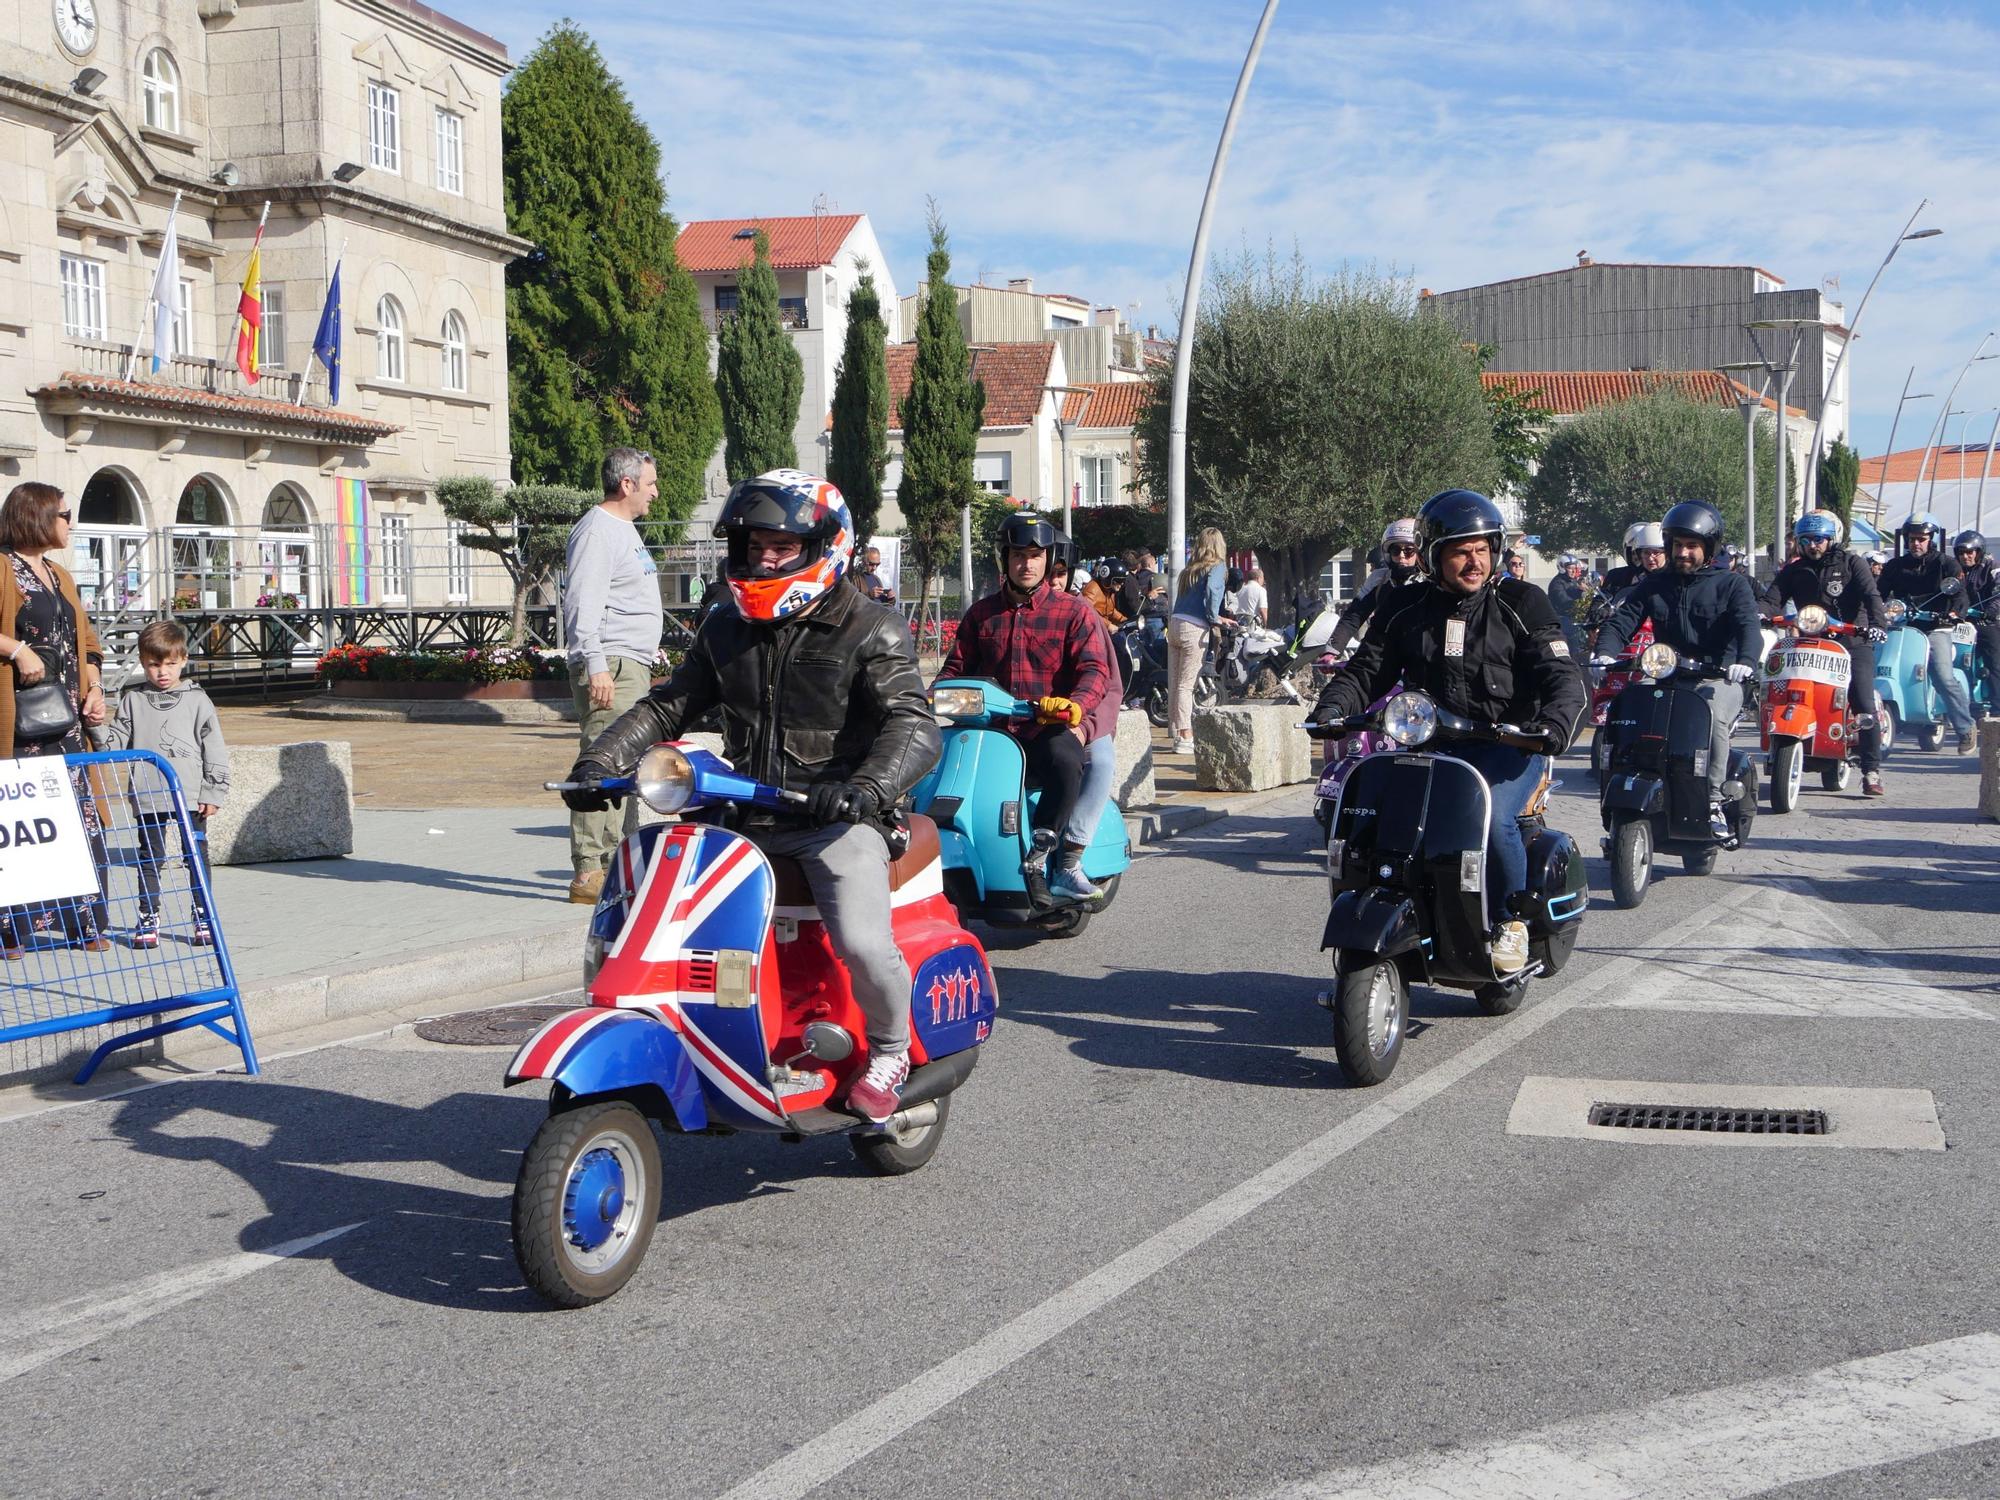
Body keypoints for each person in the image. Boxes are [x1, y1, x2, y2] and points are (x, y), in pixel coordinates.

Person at [564, 469, 938, 1123]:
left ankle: (887, 1049)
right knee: (666, 910)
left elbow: (914, 725)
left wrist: (864, 789)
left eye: (781, 547)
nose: (764, 558)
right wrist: (601, 760)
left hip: (836, 816)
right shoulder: (725, 628)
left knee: (858, 937)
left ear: (824, 546)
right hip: (748, 810)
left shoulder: (870, 627)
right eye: (753, 545)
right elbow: (667, 708)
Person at [1310, 490, 1585, 974]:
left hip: (1508, 746)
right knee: (1367, 809)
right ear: (1436, 555)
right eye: (1461, 550)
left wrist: (1553, 724)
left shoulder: (1522, 601)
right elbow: (1367, 669)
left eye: (1482, 549)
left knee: (1493, 817)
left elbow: (1560, 671)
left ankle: (1510, 921)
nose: (1474, 561)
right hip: (1431, 744)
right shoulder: (1405, 604)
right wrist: (1332, 708)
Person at [943, 512, 1116, 902]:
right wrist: (927, 695)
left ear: (1048, 559)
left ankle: (1045, 859)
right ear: (1004, 559)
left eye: (1035, 555)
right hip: (991, 733)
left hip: (1044, 730)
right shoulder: (980, 615)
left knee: (1064, 758)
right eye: (1018, 554)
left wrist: (1075, 706)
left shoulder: (1074, 612)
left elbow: (1094, 669)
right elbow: (954, 668)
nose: (1027, 563)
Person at [1595, 500, 1763, 839]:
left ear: (1708, 548)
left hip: (1719, 678)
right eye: (1677, 545)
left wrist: (1744, 662)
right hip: (1667, 675)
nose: (1682, 552)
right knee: (1626, 705)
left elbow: (1748, 627)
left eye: (1691, 546)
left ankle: (1714, 799)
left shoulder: (1732, 585)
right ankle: (1620, 787)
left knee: (1713, 714)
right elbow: (1623, 620)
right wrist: (1605, 653)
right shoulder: (1656, 584)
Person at [0, 482, 109, 956]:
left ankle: (86, 923)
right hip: (20, 726)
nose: (71, 523)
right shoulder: (3, 567)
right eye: (66, 515)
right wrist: (17, 649)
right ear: (37, 516)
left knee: (82, 822)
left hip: (67, 721)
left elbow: (85, 639)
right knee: (23, 827)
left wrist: (97, 686)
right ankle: (12, 931)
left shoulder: (60, 575)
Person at [562, 447, 663, 904]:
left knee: (623, 766)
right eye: (650, 484)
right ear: (627, 484)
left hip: (630, 663)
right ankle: (589, 870)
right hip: (612, 667)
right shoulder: (598, 531)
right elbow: (582, 604)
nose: (655, 493)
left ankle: (612, 864)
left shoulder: (623, 530)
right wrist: (596, 664)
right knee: (603, 762)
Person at [105, 620, 230, 946]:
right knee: (149, 858)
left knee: (195, 856)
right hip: (147, 793)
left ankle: (204, 915)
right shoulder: (132, 700)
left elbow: (214, 745)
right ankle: (148, 916)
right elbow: (114, 744)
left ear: (183, 660)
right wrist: (93, 726)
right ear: (143, 663)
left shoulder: (198, 700)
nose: (162, 672)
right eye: (154, 664)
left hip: (190, 794)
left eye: (170, 664)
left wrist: (213, 790)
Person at [1774, 511, 1889, 796]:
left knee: (1862, 700)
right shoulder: (1794, 569)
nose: (1813, 545)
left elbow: (1871, 596)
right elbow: (1771, 598)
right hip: (1810, 644)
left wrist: (1876, 625)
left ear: (1832, 538)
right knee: (1790, 689)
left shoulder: (1853, 563)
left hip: (1852, 643)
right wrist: (1759, 614)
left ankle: (1871, 770)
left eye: (1819, 539)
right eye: (1806, 540)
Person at [1879, 511, 1973, 753]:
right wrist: (1871, 610)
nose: (1916, 543)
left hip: (1936, 628)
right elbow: (1877, 593)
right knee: (1874, 664)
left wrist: (1953, 614)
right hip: (1902, 628)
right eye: (1912, 539)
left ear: (1930, 538)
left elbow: (1960, 593)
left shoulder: (1946, 564)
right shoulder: (1894, 566)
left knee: (1943, 675)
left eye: (1921, 538)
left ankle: (1965, 728)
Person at [1167, 527, 1228, 755]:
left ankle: (1176, 732)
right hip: (1194, 628)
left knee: (1175, 682)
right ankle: (1185, 735)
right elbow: (1213, 591)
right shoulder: (1217, 566)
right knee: (1186, 684)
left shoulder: (1189, 570)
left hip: (1175, 624)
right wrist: (1215, 618)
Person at [1329, 518, 1424, 653]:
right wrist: (1332, 649)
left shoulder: (1432, 580)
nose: (1401, 556)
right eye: (1395, 550)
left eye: (1409, 551)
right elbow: (1355, 615)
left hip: (1422, 655)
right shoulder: (1379, 579)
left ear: (1420, 552)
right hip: (1383, 652)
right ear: (1388, 554)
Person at [1952, 530, 2000, 715]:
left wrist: (1989, 612)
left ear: (1979, 551)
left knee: (1994, 662)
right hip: (1964, 622)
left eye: (1970, 552)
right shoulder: (1956, 570)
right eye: (1961, 552)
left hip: (1989, 622)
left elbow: (1998, 592)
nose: (1966, 556)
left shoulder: (1992, 566)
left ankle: (1997, 709)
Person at [1600, 523, 1665, 597]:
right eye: (1646, 552)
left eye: (1656, 552)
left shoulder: (1672, 577)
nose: (1636, 557)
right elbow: (1603, 597)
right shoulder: (1616, 575)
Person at [1547, 553, 1588, 658]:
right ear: (1562, 567)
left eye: (1575, 568)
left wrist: (1581, 591)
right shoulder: (1557, 583)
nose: (1574, 570)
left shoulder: (1571, 581)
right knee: (1576, 636)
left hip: (1572, 617)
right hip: (1562, 618)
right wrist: (1580, 605)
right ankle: (1577, 657)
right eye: (1570, 568)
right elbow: (1563, 601)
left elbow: (1573, 591)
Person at [1082, 561, 1127, 625]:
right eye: (1119, 581)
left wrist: (1123, 619)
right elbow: (1086, 613)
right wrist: (1108, 625)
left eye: (1123, 581)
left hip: (1101, 629)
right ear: (1108, 579)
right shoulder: (1092, 589)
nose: (1121, 584)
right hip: (1091, 630)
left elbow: (1110, 611)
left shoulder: (1109, 591)